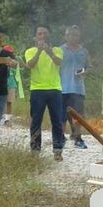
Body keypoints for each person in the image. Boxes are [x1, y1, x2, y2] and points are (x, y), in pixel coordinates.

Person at [24, 26, 64, 161]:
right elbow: (30, 65)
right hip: (37, 89)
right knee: (36, 121)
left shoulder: (58, 50)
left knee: (57, 121)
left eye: (45, 34)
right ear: (35, 37)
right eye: (39, 34)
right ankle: (35, 150)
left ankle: (58, 149)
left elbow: (59, 62)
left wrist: (50, 52)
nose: (42, 36)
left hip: (55, 89)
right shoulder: (30, 51)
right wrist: (40, 51)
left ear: (49, 36)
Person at [60, 25, 92, 149]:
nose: (74, 37)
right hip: (62, 87)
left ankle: (78, 138)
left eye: (76, 35)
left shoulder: (84, 51)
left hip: (78, 88)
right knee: (61, 115)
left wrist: (84, 72)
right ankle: (60, 138)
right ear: (66, 36)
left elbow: (89, 66)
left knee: (78, 116)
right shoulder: (60, 50)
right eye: (71, 35)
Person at [2, 45, 23, 127]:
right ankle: (0, 117)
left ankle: (7, 119)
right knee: (0, 101)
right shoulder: (0, 62)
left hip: (11, 85)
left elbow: (18, 72)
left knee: (9, 102)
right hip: (1, 84)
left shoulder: (14, 63)